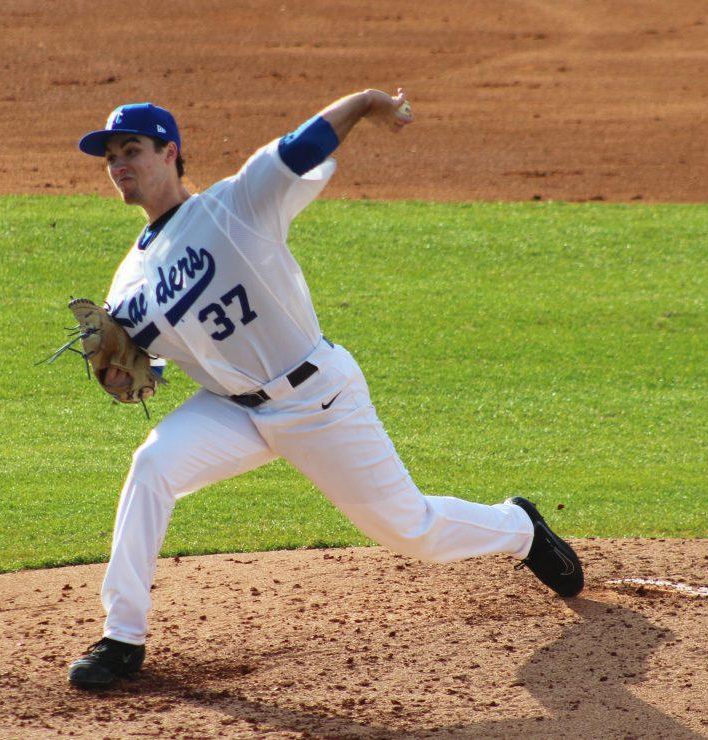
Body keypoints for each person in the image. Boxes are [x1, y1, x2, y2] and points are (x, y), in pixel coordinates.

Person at [66, 89, 583, 690]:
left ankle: (518, 527)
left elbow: (304, 143)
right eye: (110, 157)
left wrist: (366, 103)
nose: (119, 165)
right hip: (232, 410)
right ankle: (122, 637)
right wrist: (125, 375)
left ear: (170, 153)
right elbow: (147, 364)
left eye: (131, 149)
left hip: (317, 401)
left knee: (411, 530)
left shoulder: (235, 204)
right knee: (152, 465)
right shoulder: (128, 278)